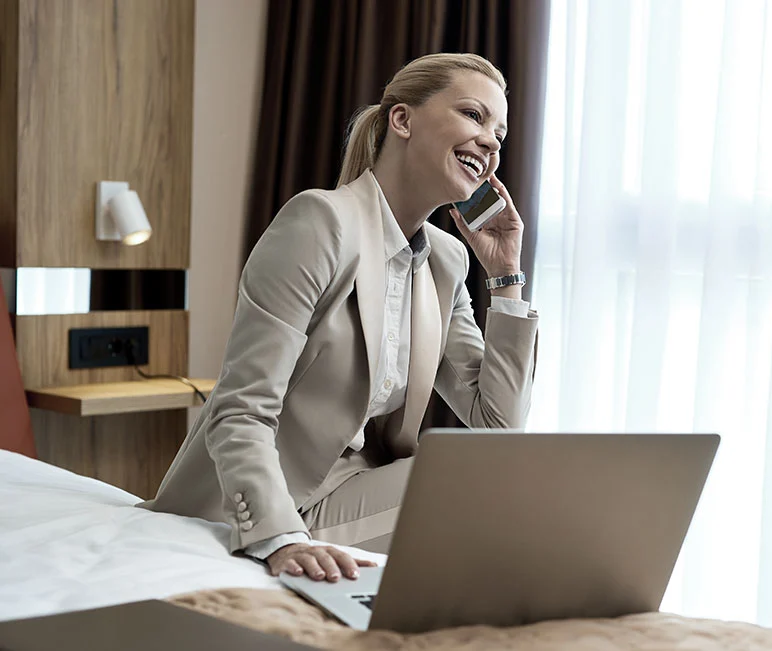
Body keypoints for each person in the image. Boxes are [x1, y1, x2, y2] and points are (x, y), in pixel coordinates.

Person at [140, 53, 538, 584]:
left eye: (500, 133)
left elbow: (499, 426)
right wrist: (277, 538)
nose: (490, 142)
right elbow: (239, 409)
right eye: (473, 115)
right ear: (402, 120)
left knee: (509, 478)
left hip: (347, 497)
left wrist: (506, 274)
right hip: (263, 506)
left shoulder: (446, 260)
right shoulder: (320, 221)